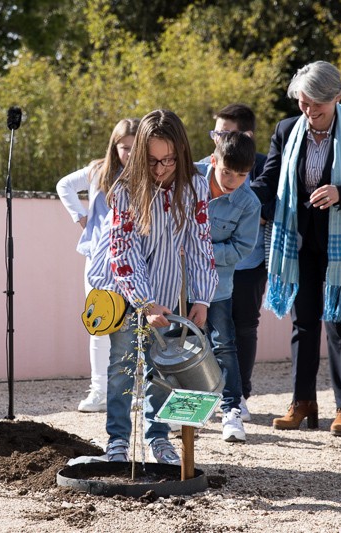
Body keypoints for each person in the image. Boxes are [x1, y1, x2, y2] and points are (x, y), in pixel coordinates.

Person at [251, 61, 341, 437]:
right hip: (298, 241)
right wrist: (239, 198)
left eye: (318, 106)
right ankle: (302, 402)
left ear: (337, 98)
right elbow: (270, 180)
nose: (310, 113)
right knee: (303, 323)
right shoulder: (286, 130)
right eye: (304, 103)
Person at [88, 109, 218, 464]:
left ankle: (159, 439)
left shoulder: (195, 186)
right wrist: (144, 303)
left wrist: (202, 298)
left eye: (169, 160)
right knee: (122, 368)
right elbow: (122, 251)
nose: (160, 169)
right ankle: (117, 441)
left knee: (162, 370)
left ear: (182, 153)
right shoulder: (124, 190)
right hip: (128, 295)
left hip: (170, 293)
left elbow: (200, 243)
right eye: (152, 161)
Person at [56, 118, 139, 413]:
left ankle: (131, 388)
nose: (129, 153)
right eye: (124, 147)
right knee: (99, 324)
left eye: (134, 146)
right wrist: (81, 218)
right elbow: (64, 184)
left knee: (132, 325)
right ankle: (99, 390)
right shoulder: (98, 171)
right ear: (114, 146)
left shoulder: (146, 175)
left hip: (133, 260)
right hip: (97, 259)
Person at [200, 104, 267, 421]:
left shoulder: (257, 174)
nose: (219, 138)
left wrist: (203, 251)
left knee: (239, 333)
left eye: (226, 133)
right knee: (194, 338)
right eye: (217, 132)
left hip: (243, 269)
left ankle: (237, 398)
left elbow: (255, 229)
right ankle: (197, 402)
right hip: (197, 279)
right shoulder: (196, 175)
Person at [192, 131, 260, 442]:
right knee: (181, 344)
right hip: (175, 283)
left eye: (242, 175)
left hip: (218, 288)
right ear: (213, 160)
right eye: (226, 172)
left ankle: (231, 410)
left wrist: (200, 251)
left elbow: (241, 249)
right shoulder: (186, 179)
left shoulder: (249, 202)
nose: (233, 180)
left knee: (223, 345)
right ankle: (186, 410)